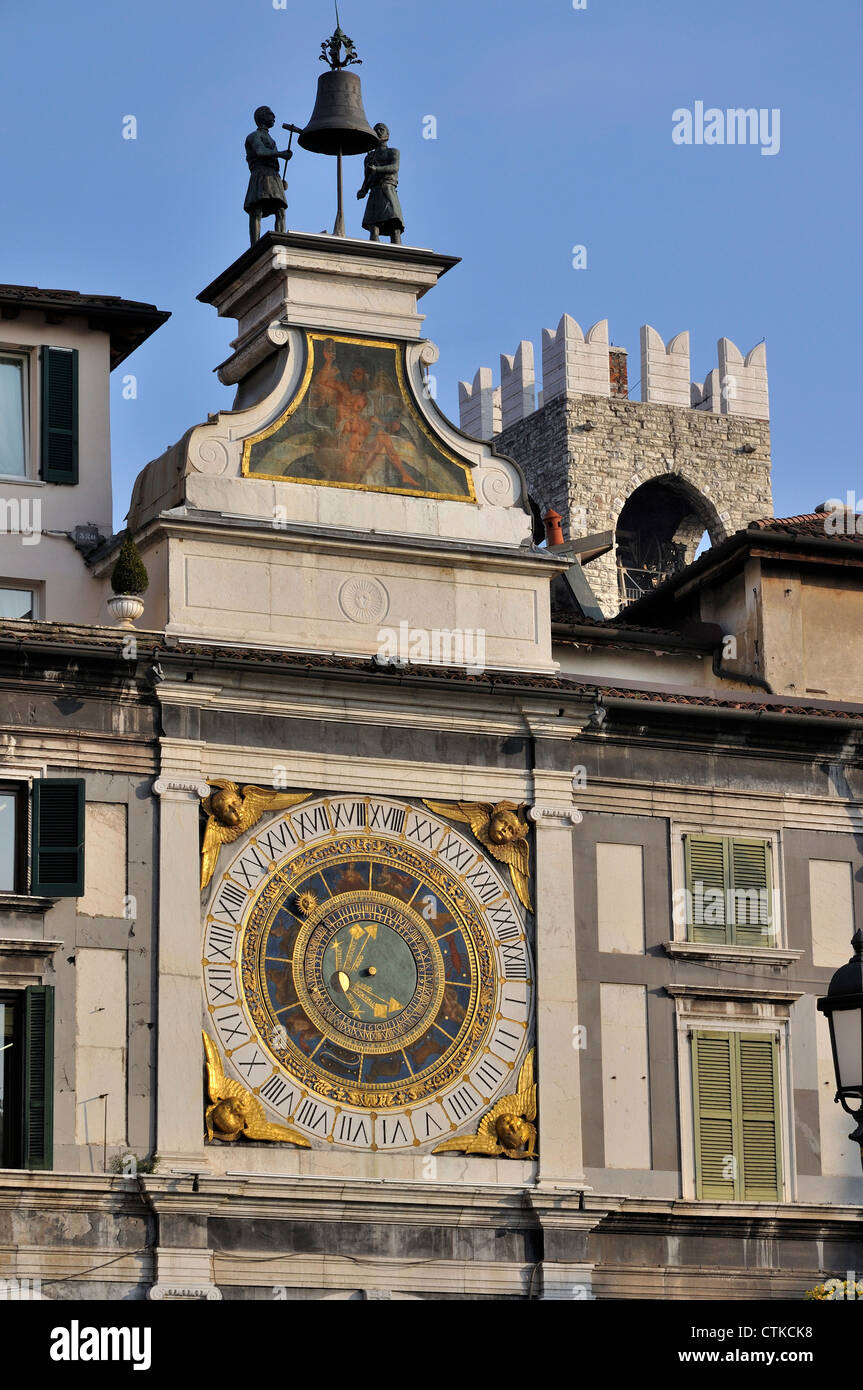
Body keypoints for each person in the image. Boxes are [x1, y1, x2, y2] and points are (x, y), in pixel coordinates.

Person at [244, 106, 292, 245]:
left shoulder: (271, 139)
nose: (274, 116)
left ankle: (282, 240)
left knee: (280, 209)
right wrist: (281, 154)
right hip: (260, 174)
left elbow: (274, 161)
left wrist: (280, 181)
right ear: (262, 116)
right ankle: (255, 245)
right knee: (257, 209)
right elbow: (260, 151)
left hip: (273, 176)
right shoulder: (254, 136)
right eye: (270, 114)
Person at [357, 123, 404, 244]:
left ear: (387, 134)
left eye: (381, 130)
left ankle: (399, 253)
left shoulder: (393, 152)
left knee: (394, 225)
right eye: (376, 130)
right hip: (374, 192)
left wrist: (377, 170)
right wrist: (363, 190)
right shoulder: (369, 157)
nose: (378, 131)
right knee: (373, 226)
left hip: (388, 190)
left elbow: (394, 167)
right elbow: (367, 177)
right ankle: (373, 251)